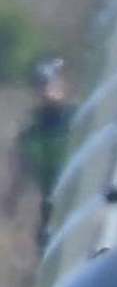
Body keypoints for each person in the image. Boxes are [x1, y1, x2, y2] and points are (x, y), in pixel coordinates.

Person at [8, 58, 71, 248]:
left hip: (79, 194)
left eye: (50, 83)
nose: (47, 92)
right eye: (41, 86)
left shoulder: (78, 120)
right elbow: (22, 168)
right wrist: (12, 198)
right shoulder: (32, 131)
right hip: (52, 205)